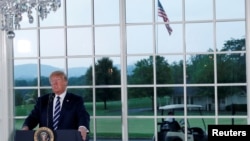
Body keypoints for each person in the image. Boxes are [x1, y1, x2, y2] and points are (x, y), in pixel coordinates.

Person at [22, 70, 90, 141]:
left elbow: (83, 115)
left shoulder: (76, 100)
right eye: (52, 81)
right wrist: (26, 126)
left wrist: (82, 127)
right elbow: (33, 117)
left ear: (65, 82)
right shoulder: (43, 100)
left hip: (68, 138)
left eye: (58, 80)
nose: (54, 83)